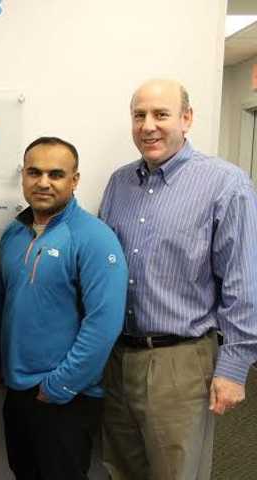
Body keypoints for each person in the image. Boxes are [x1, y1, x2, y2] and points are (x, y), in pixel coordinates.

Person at [99, 79, 257, 480]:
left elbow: (243, 282)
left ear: (186, 119)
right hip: (117, 357)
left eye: (161, 114)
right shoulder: (120, 182)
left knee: (176, 472)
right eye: (139, 116)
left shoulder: (226, 184)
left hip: (181, 362)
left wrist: (234, 368)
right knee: (119, 469)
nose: (148, 125)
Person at [0, 137, 128, 479]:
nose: (43, 182)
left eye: (56, 174)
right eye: (34, 172)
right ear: (23, 176)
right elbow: (2, 302)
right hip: (18, 390)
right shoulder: (14, 234)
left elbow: (104, 324)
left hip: (65, 397)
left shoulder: (94, 237)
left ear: (74, 180)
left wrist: (60, 385)